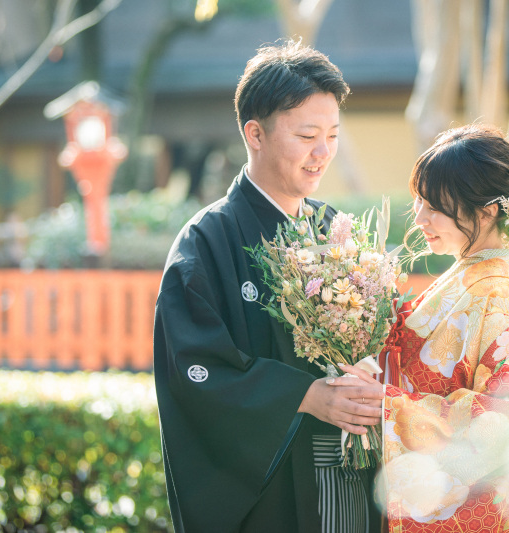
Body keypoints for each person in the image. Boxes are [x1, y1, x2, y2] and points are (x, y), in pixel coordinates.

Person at [153, 41, 384, 533]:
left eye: (332, 135)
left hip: (350, 467)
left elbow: (382, 335)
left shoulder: (336, 230)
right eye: (306, 135)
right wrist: (305, 395)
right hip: (271, 488)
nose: (322, 153)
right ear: (254, 134)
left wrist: (371, 366)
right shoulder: (207, 241)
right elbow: (195, 370)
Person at [337, 124, 509, 532]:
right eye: (419, 203)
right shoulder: (474, 283)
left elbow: (502, 422)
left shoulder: (500, 296)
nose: (421, 219)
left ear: (487, 210)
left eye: (436, 207)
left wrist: (388, 404)